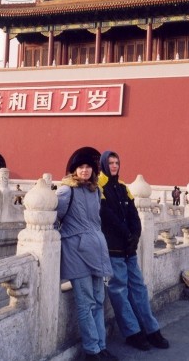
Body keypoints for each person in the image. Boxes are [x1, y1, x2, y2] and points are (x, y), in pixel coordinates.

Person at [98, 150, 169, 351]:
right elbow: (106, 215)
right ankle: (132, 332)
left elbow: (133, 213)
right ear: (103, 164)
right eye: (110, 163)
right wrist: (126, 233)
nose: (114, 166)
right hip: (112, 246)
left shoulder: (123, 188)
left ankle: (151, 329)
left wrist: (135, 234)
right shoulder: (99, 188)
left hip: (129, 246)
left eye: (116, 163)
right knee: (119, 289)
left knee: (138, 286)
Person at [55, 152, 118, 361]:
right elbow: (54, 219)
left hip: (96, 251)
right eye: (80, 167)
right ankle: (92, 351)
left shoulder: (95, 190)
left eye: (88, 167)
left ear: (93, 170)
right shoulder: (66, 192)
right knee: (86, 302)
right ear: (73, 170)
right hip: (76, 252)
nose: (84, 170)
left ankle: (101, 346)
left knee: (99, 300)